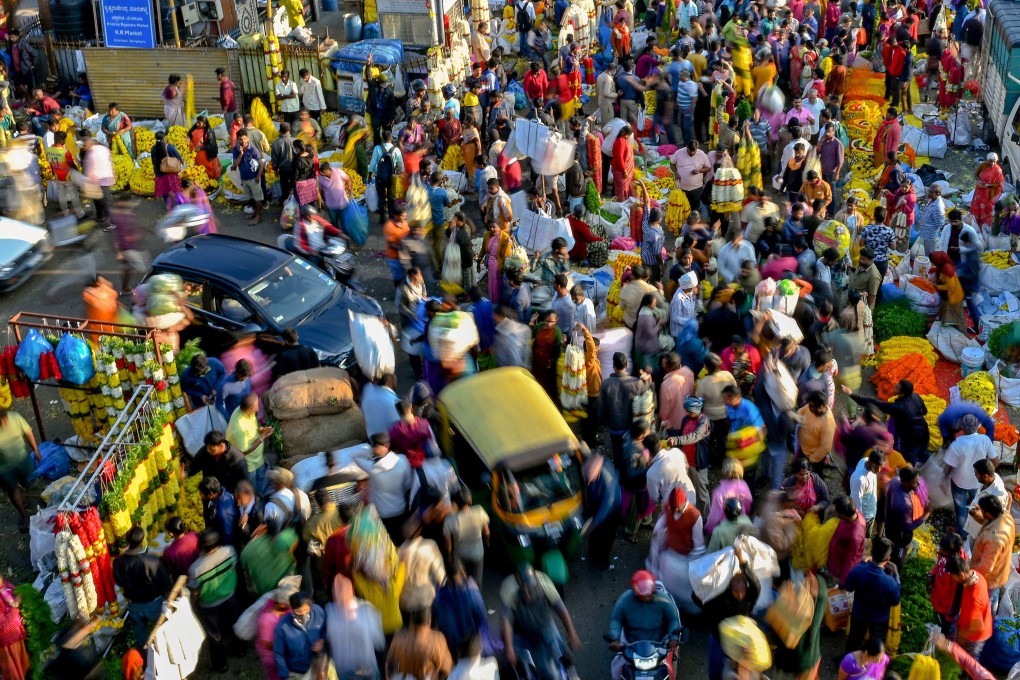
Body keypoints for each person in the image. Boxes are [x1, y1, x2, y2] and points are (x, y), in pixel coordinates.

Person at [606, 571, 681, 679]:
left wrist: (673, 638)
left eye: (649, 595)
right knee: (616, 669)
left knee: (670, 668)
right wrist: (615, 638)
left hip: (659, 642)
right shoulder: (625, 600)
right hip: (631, 643)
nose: (646, 598)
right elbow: (616, 620)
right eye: (643, 596)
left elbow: (673, 619)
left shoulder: (663, 599)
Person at [114, 526, 173, 650]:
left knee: (141, 637)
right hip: (154, 602)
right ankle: (166, 653)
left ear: (127, 541)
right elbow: (165, 582)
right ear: (142, 540)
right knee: (164, 630)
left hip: (134, 605)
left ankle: (146, 661)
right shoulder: (152, 561)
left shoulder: (119, 562)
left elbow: (119, 581)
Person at [187, 530, 238, 673]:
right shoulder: (230, 551)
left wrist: (195, 603)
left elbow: (195, 590)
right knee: (234, 623)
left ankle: (221, 664)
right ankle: (240, 649)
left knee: (214, 635)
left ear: (202, 546)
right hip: (229, 596)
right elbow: (233, 568)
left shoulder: (195, 569)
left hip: (209, 604)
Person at [845, 380, 929, 464]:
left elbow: (876, 403)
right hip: (924, 432)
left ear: (902, 392)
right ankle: (927, 465)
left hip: (912, 439)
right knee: (924, 453)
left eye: (897, 387)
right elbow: (925, 411)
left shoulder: (898, 407)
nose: (894, 386)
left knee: (909, 459)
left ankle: (911, 473)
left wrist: (852, 395)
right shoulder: (916, 396)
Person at [843, 537, 901, 653]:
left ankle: (847, 662)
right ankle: (871, 667)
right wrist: (896, 576)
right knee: (876, 645)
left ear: (871, 553)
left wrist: (863, 563)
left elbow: (849, 587)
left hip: (859, 614)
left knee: (854, 640)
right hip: (879, 620)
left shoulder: (858, 571)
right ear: (888, 559)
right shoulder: (890, 582)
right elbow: (895, 601)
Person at [945, 413, 998, 536]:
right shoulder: (984, 439)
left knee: (961, 509)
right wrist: (987, 477)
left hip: (959, 482)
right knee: (977, 505)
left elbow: (949, 466)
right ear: (978, 426)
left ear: (962, 428)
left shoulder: (956, 445)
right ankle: (975, 529)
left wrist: (945, 478)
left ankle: (963, 535)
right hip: (977, 482)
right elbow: (995, 461)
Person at [355, 433, 413, 543]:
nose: (373, 448)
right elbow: (408, 484)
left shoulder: (372, 467)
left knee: (391, 541)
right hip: (401, 509)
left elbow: (355, 456)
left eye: (374, 446)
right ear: (388, 445)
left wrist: (369, 450)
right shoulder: (403, 460)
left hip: (384, 514)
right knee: (404, 538)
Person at [600, 352, 651, 466]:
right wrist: (647, 382)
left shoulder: (606, 384)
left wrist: (602, 423)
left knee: (617, 453)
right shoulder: (637, 383)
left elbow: (601, 408)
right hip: (632, 428)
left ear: (614, 366)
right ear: (627, 365)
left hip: (614, 427)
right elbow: (647, 402)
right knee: (632, 454)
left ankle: (619, 474)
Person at [970, 495, 1015, 614]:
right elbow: (991, 522)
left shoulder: (994, 538)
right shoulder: (1006, 516)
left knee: (986, 602)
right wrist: (977, 515)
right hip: (1000, 572)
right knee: (993, 597)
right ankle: (990, 618)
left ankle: (986, 626)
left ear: (989, 513)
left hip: (989, 579)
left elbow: (985, 567)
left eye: (982, 510)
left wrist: (969, 575)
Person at [0, 408, 42, 532]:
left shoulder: (15, 417)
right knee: (13, 490)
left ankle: (28, 497)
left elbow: (28, 432)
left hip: (22, 459)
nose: (3, 424)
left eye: (4, 420)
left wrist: (35, 450)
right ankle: (24, 515)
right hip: (4, 468)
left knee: (27, 481)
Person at [945, 553, 994, 657]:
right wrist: (960, 621)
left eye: (953, 575)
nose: (952, 578)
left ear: (961, 575)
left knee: (969, 662)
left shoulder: (974, 597)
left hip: (975, 636)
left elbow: (977, 627)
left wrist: (962, 635)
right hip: (970, 626)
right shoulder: (975, 575)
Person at [226, 393, 274, 497]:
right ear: (251, 407)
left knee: (261, 478)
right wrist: (263, 437)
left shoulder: (248, 412)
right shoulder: (238, 428)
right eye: (257, 404)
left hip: (258, 459)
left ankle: (261, 494)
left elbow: (252, 427)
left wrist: (261, 430)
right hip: (249, 464)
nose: (259, 405)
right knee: (253, 485)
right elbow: (244, 451)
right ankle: (256, 500)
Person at [885, 467, 931, 567]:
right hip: (899, 536)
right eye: (915, 482)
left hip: (889, 524)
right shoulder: (904, 505)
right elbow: (909, 527)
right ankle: (895, 569)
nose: (919, 484)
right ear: (907, 483)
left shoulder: (894, 481)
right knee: (898, 556)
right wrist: (927, 514)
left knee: (889, 547)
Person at [444, 486, 490, 585]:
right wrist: (487, 542)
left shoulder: (449, 521)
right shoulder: (479, 511)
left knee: (462, 582)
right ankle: (477, 597)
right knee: (477, 581)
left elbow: (449, 546)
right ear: (470, 500)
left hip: (461, 556)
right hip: (477, 553)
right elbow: (486, 532)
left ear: (455, 503)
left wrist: (450, 559)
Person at [274, 593, 326, 680]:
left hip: (317, 665)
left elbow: (325, 628)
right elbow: (279, 653)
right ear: (291, 609)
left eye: (306, 611)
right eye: (298, 612)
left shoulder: (318, 612)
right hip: (298, 672)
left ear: (310, 606)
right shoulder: (283, 627)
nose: (303, 615)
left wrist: (322, 640)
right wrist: (284, 674)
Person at [828, 495, 868, 586]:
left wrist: (843, 581)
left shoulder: (855, 536)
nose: (834, 512)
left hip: (839, 568)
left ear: (842, 515)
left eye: (836, 511)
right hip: (835, 559)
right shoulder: (855, 513)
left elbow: (850, 560)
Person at [850, 450, 883, 536]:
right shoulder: (859, 480)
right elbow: (856, 505)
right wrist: (860, 524)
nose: (879, 470)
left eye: (881, 467)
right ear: (870, 462)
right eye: (876, 467)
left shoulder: (864, 460)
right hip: (864, 519)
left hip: (871, 513)